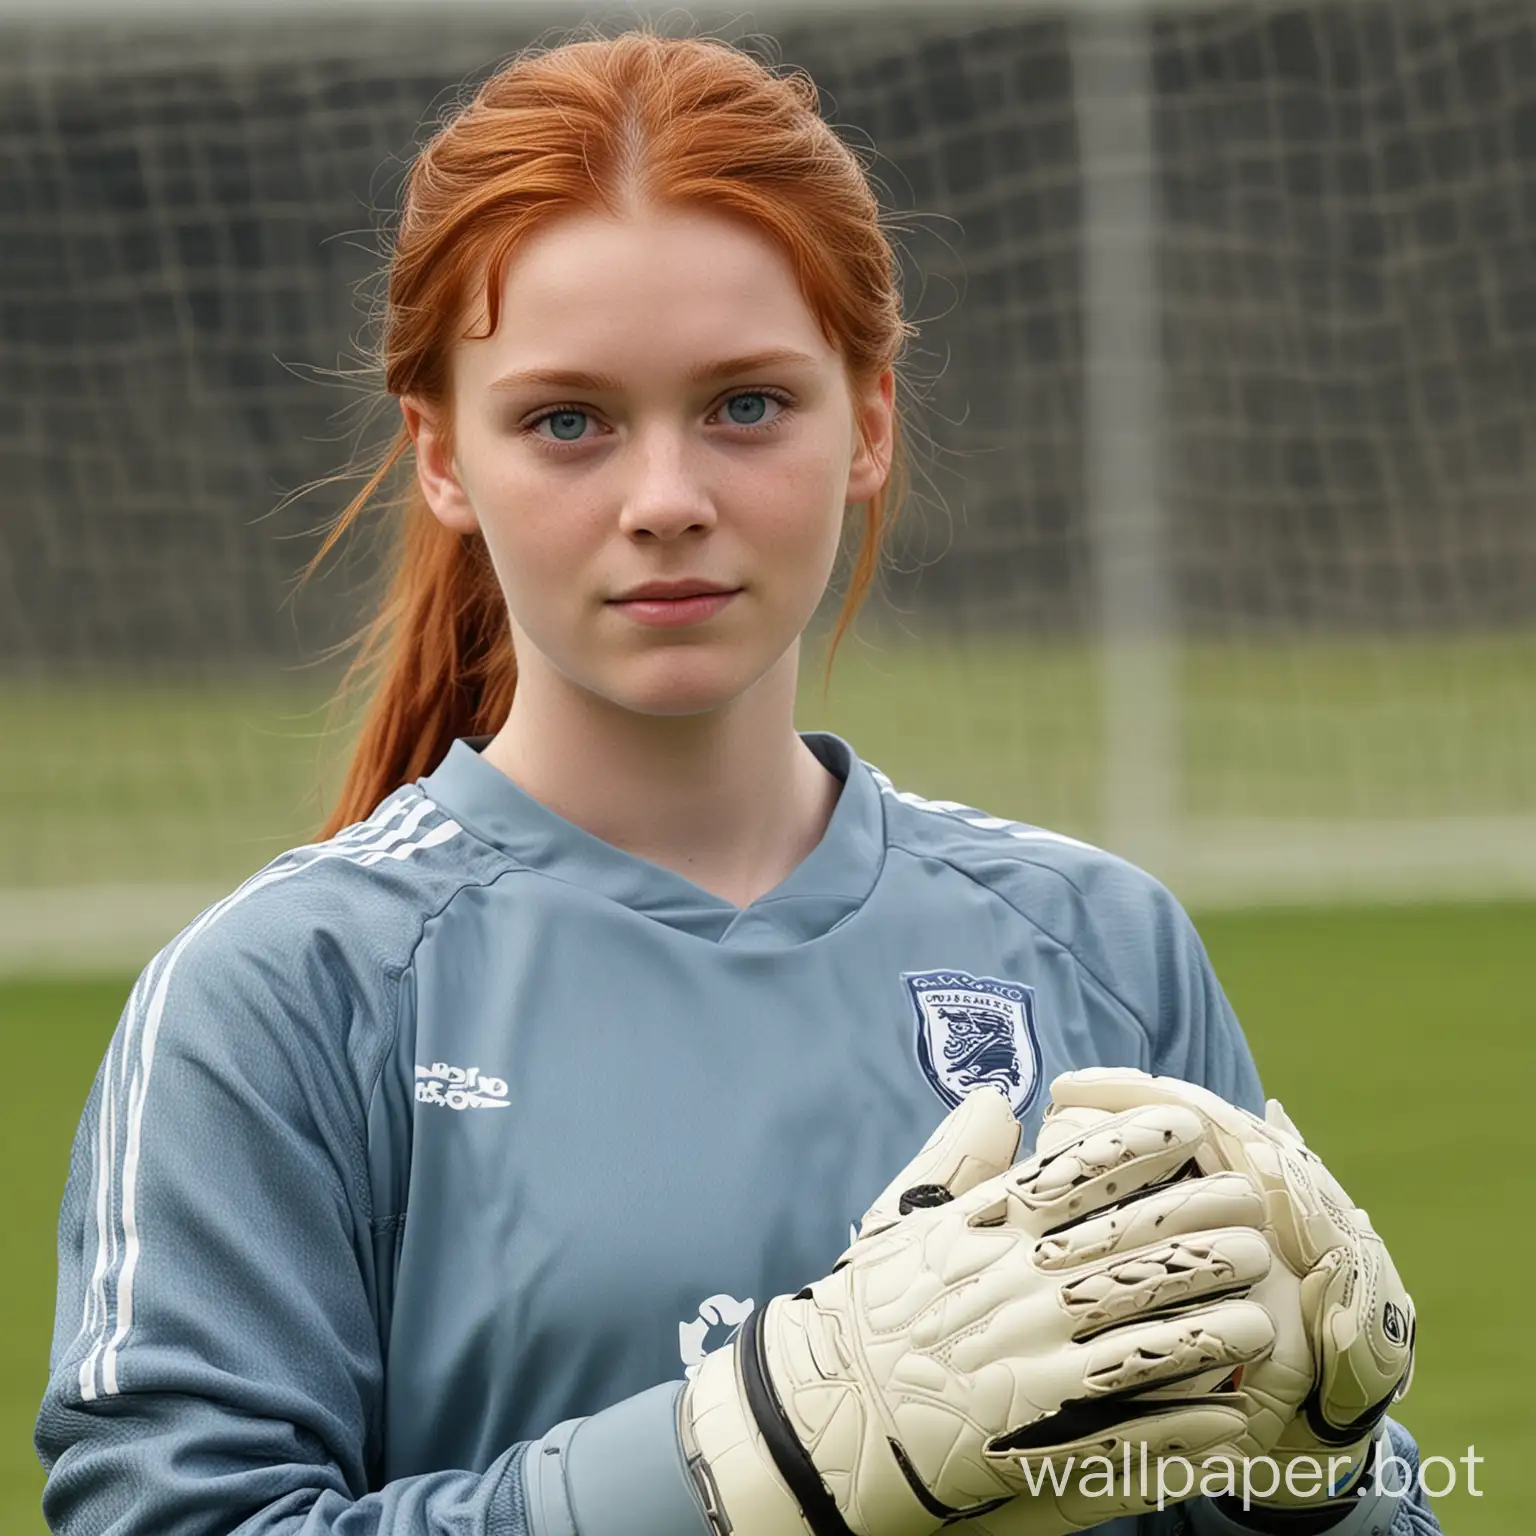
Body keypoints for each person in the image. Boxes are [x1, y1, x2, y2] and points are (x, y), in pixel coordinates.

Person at [35, 27, 1440, 1536]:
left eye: (747, 405)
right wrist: (745, 1464)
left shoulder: (1100, 944)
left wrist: (1315, 1488)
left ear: (870, 422)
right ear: (442, 456)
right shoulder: (286, 994)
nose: (666, 501)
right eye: (567, 421)